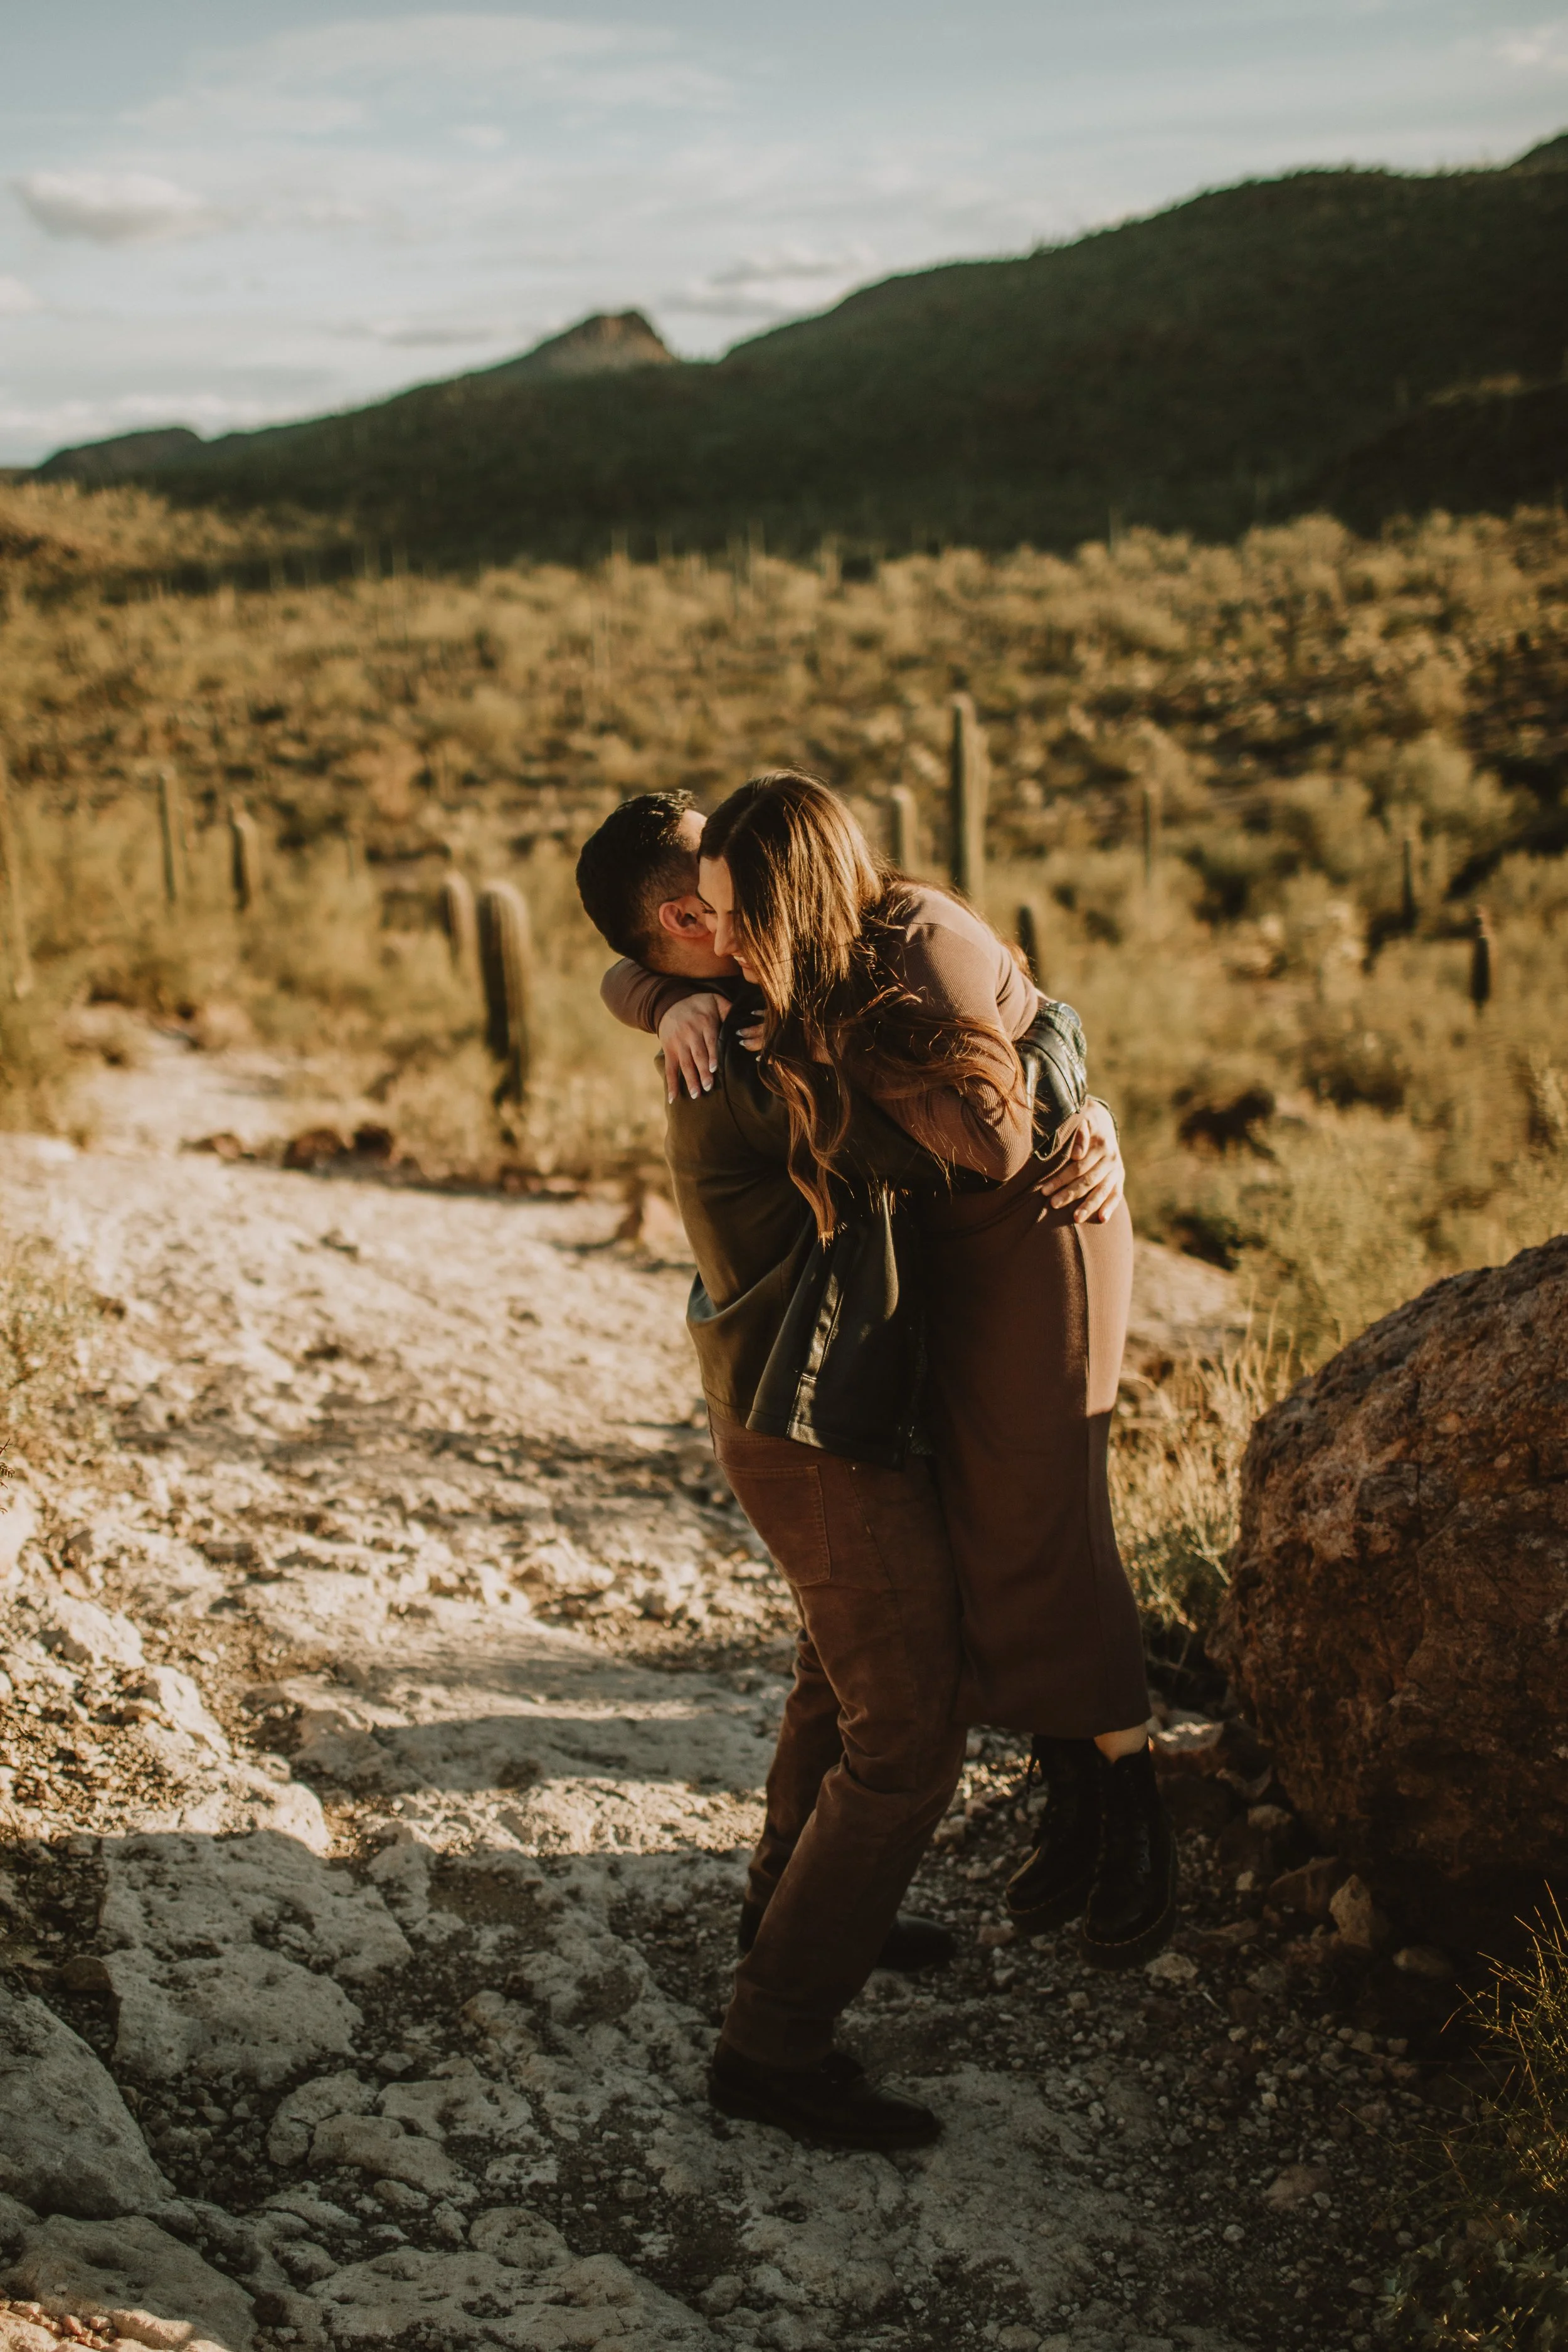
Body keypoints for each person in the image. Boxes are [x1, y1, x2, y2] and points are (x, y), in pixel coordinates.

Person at [575, 792, 1126, 2151]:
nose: (731, 914)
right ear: (686, 920)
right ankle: (771, 2043)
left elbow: (639, 967)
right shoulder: (762, 1059)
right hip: (809, 1427)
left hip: (818, 1409)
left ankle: (793, 1910)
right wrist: (1064, 1078)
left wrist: (648, 992)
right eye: (705, 903)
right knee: (906, 1737)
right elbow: (976, 1143)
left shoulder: (738, 1019)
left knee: (837, 1672)